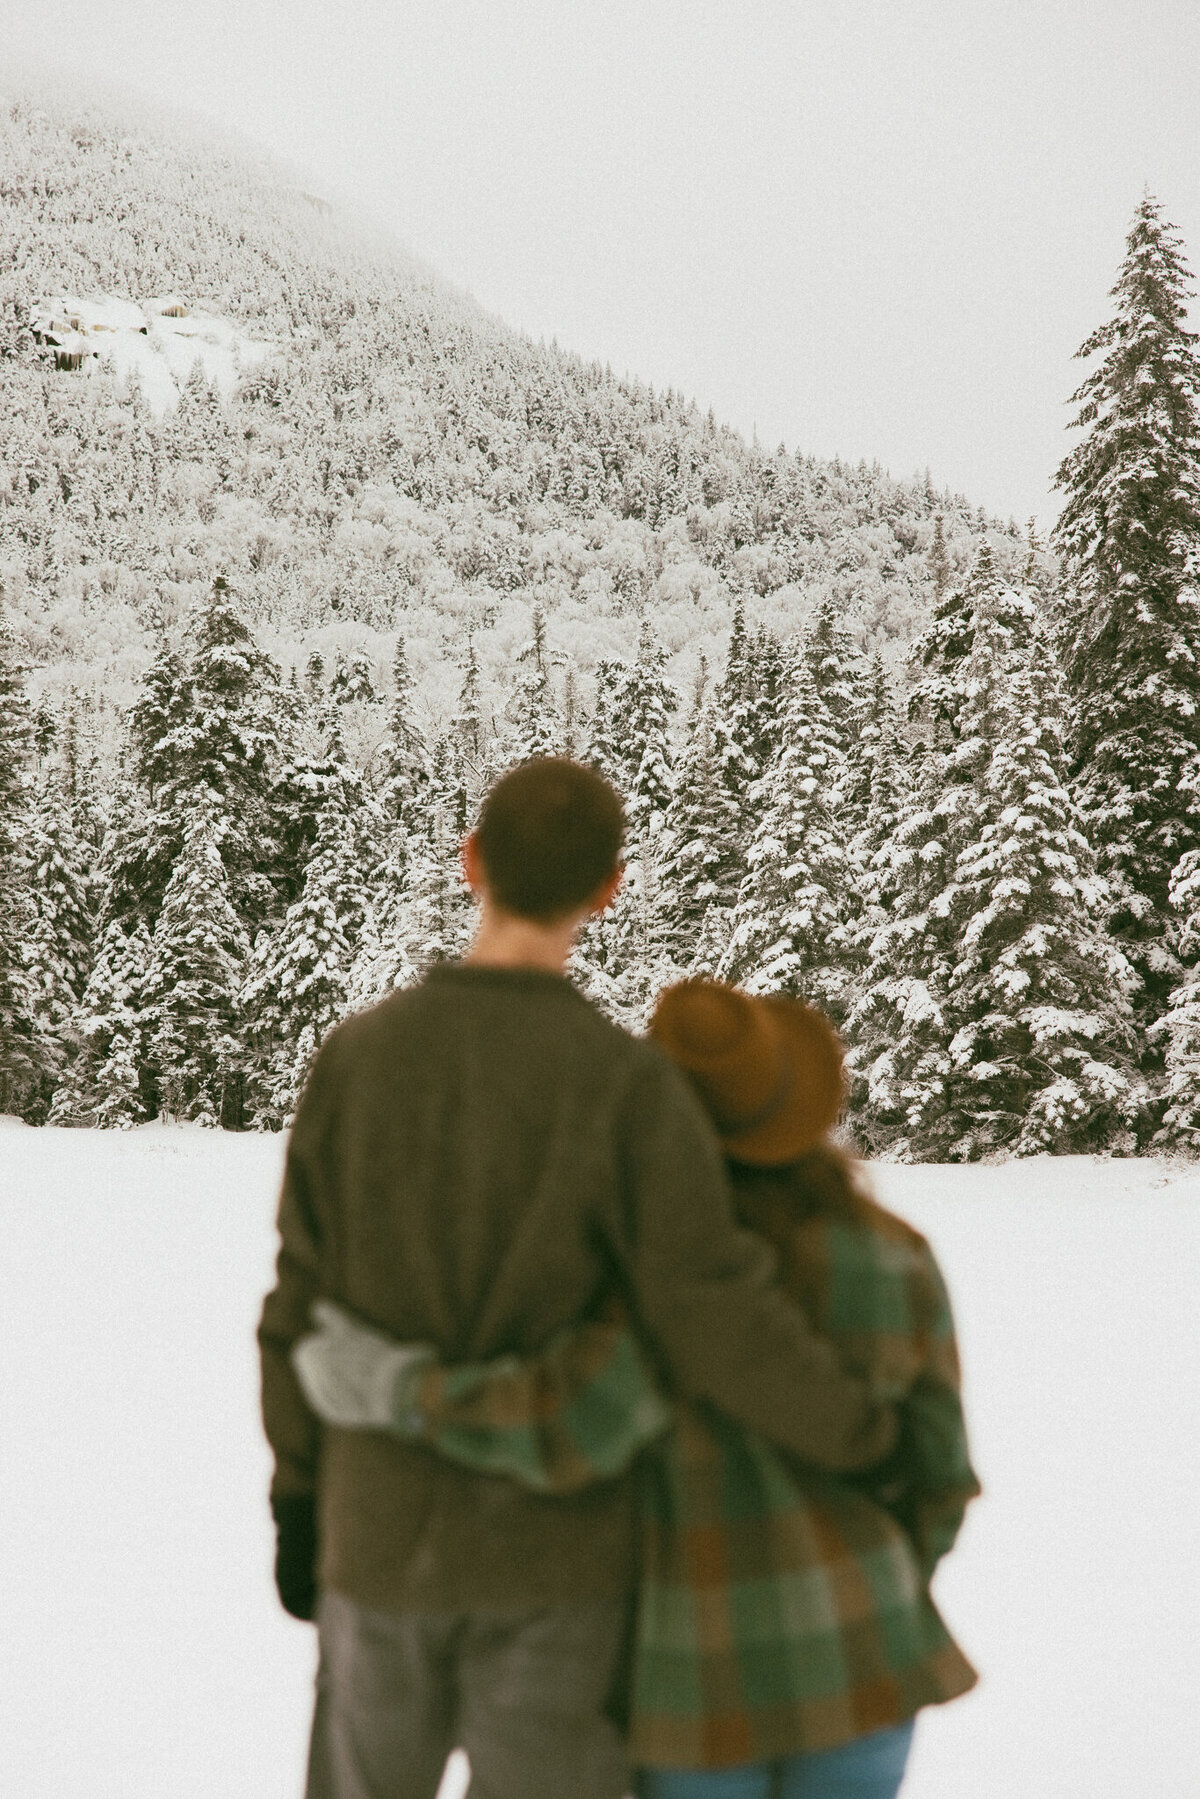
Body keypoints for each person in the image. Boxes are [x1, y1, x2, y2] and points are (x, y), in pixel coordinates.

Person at [258, 758, 898, 1799]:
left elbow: (297, 1308)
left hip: (378, 1539)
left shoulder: (355, 1062)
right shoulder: (631, 1089)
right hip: (559, 1563)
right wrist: (859, 1432)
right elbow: (711, 1308)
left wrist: (297, 1495)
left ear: (472, 863)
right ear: (608, 887)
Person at [293, 980, 981, 1799]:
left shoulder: (662, 1272)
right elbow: (938, 1470)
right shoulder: (897, 1256)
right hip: (869, 1659)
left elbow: (571, 1423)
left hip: (698, 1684)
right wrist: (879, 1586)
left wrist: (401, 1387)